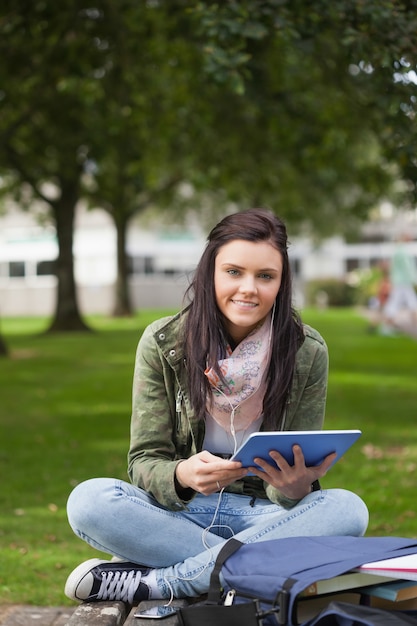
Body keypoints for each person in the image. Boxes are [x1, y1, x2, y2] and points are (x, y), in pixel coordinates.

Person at [64, 208, 369, 605]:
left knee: (347, 511)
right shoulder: (163, 342)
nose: (248, 289)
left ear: (282, 283)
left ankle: (168, 581)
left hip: (265, 515)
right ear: (210, 273)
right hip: (179, 515)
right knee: (89, 501)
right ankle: (254, 569)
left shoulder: (306, 351)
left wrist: (294, 489)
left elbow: (298, 486)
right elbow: (144, 461)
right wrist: (183, 475)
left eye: (265, 276)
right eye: (233, 272)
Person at [381, 233, 417, 335]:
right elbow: (408, 268)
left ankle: (387, 327)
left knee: (411, 302)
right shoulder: (403, 252)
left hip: (400, 282)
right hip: (403, 282)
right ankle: (387, 327)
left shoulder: (398, 251)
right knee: (397, 303)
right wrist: (414, 280)